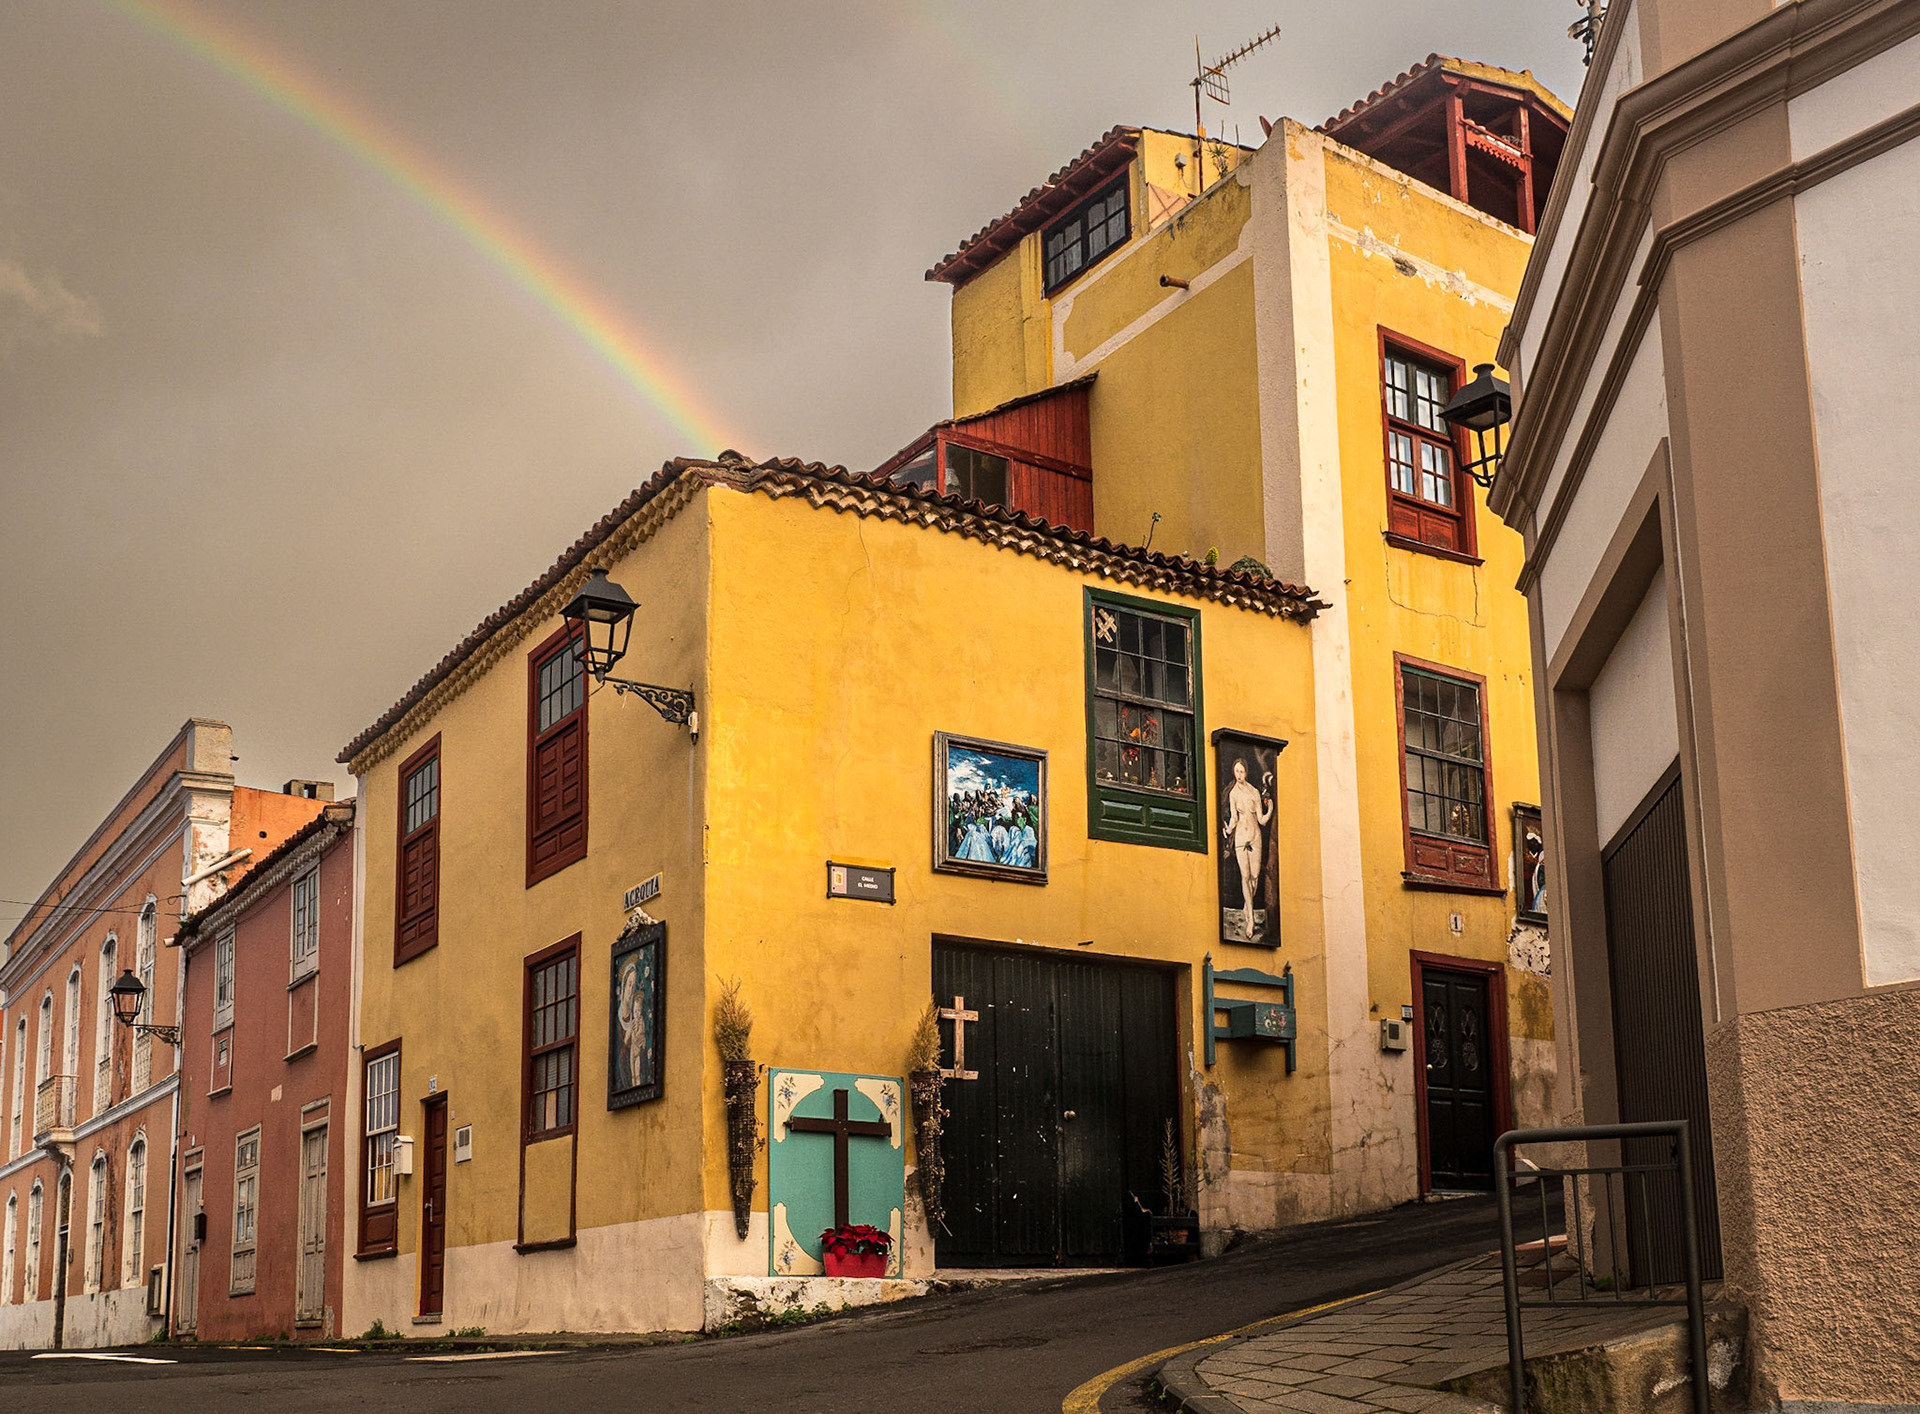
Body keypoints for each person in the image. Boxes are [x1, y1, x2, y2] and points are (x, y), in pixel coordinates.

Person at [1222, 757, 1274, 941]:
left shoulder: (1254, 792)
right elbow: (1234, 819)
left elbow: (1261, 820)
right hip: (1241, 837)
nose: (1239, 775)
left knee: (1254, 877)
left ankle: (1247, 906)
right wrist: (1228, 829)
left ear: (1246, 772)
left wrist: (1270, 810)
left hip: (1255, 836)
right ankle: (1250, 919)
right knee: (1245, 876)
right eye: (1236, 771)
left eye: (1241, 771)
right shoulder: (1233, 794)